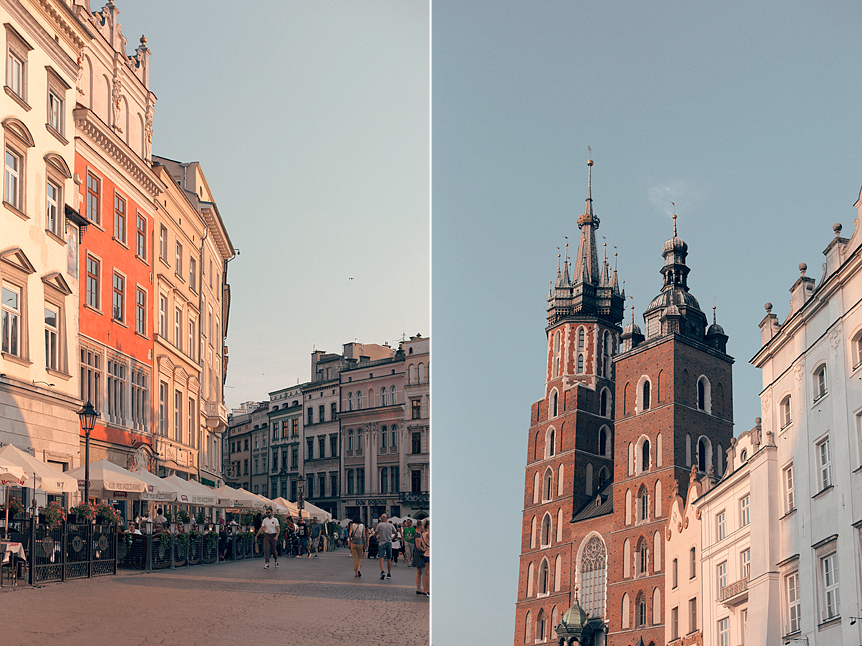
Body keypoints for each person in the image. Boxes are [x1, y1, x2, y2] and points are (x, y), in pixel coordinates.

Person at [375, 513, 396, 580]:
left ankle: (382, 571)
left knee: (381, 557)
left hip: (382, 542)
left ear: (382, 519)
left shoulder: (379, 525)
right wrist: (393, 538)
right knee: (389, 558)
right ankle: (389, 573)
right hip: (389, 542)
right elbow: (396, 533)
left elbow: (375, 533)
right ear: (386, 519)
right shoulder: (391, 525)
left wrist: (377, 538)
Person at [412, 521, 428, 595]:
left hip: (417, 555)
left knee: (418, 572)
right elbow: (418, 546)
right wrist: (424, 550)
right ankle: (425, 590)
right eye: (422, 527)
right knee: (424, 572)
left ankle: (418, 589)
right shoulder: (418, 534)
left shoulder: (418, 534)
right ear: (419, 527)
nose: (423, 528)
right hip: (420, 555)